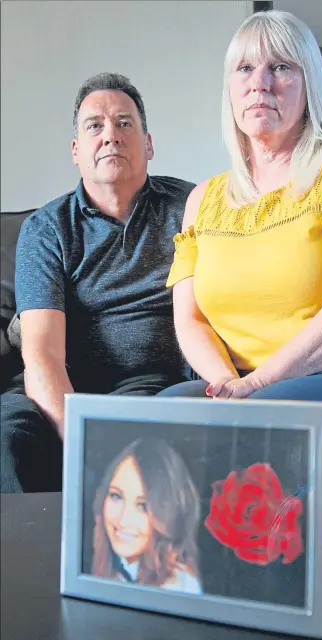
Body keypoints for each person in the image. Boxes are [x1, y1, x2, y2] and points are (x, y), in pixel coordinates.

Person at [158, 11, 322, 476]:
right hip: (244, 388)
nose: (260, 82)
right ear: (230, 89)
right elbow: (190, 317)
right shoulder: (202, 199)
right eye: (245, 69)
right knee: (147, 425)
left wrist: (260, 383)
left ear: (310, 84)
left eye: (281, 67)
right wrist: (226, 385)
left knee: (267, 426)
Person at [1, 73, 195, 493]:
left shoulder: (189, 207)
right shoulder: (46, 229)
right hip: (58, 386)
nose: (110, 135)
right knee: (6, 437)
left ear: (148, 144)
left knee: (142, 436)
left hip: (150, 383)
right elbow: (42, 355)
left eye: (125, 123)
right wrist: (83, 444)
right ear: (76, 151)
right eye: (95, 126)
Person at [91, 437, 202, 594]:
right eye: (116, 496)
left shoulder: (177, 587)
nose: (123, 520)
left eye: (142, 506)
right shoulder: (112, 564)